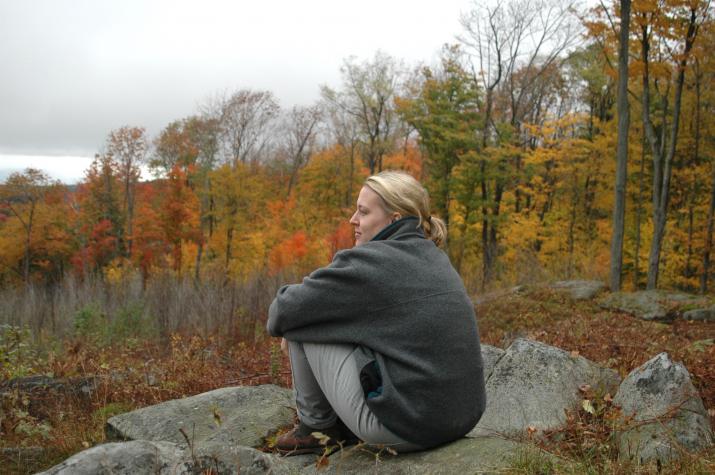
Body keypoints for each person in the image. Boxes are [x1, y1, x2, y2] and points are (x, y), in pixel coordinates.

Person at [267, 170, 486, 455]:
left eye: (363, 212)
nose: (352, 220)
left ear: (394, 219)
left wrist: (296, 329)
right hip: (461, 419)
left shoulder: (370, 264)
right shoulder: (435, 257)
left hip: (405, 429)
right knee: (317, 316)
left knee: (300, 322)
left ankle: (318, 429)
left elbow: (283, 311)